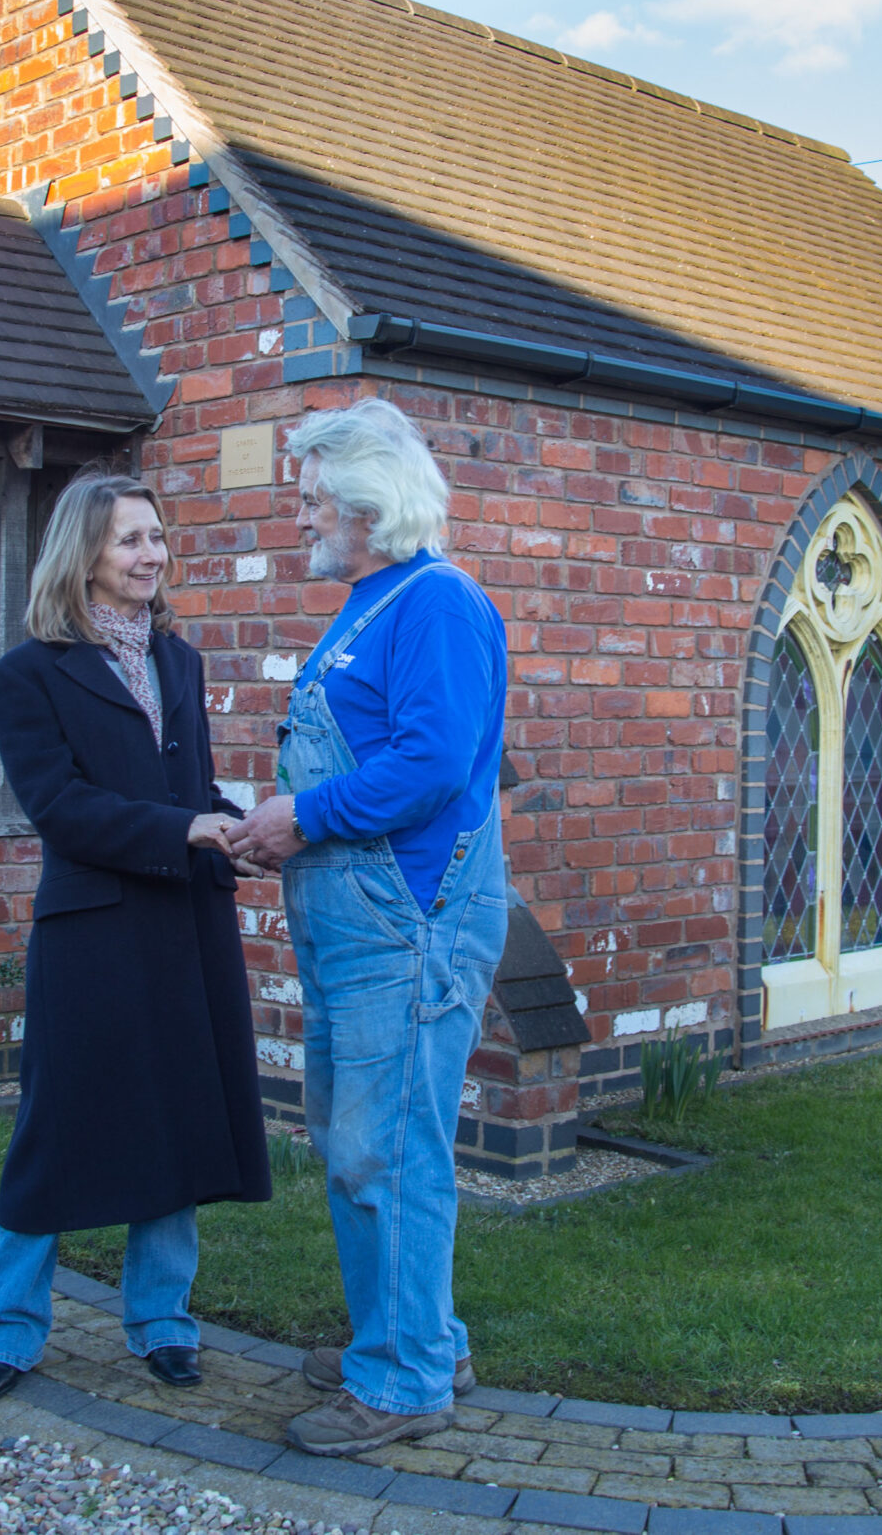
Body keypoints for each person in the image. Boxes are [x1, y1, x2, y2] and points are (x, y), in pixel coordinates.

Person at [228, 400, 510, 1456]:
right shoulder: (370, 603)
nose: (299, 511)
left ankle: (401, 1383)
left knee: (389, 1150)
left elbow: (434, 767)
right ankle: (409, 1336)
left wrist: (299, 816)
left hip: (409, 922)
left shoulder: (434, 603)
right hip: (355, 921)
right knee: (355, 1143)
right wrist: (270, 819)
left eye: (312, 496)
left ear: (366, 502)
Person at [0, 469, 272, 1405]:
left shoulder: (180, 660)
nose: (152, 555)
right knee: (55, 1129)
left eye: (157, 537)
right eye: (130, 539)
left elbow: (190, 792)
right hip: (91, 932)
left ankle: (163, 1319)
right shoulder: (24, 673)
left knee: (176, 1113)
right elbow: (60, 807)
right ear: (84, 555)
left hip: (185, 919)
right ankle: (7, 1328)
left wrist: (243, 828)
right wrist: (185, 828)